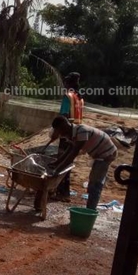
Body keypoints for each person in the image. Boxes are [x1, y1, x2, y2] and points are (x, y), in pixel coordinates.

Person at [48, 116, 117, 210]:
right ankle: (91, 206)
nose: (60, 134)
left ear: (63, 127)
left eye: (59, 131)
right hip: (99, 154)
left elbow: (72, 155)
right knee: (93, 181)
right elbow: (68, 151)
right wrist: (56, 163)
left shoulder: (81, 131)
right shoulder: (73, 133)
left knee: (95, 185)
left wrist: (56, 171)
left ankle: (90, 211)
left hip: (106, 154)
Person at [53, 72, 85, 201]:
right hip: (76, 133)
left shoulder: (68, 96)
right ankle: (64, 191)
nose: (64, 85)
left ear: (68, 83)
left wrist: (56, 132)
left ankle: (61, 192)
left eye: (65, 82)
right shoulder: (79, 97)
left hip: (66, 132)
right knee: (68, 160)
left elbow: (64, 116)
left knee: (63, 159)